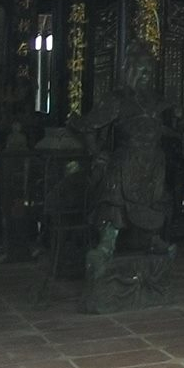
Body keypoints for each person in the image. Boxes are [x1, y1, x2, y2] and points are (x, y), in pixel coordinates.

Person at [69, 42, 175, 253]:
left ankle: (152, 236)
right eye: (141, 70)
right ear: (130, 70)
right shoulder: (117, 99)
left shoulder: (155, 99)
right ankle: (108, 238)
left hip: (153, 159)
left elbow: (157, 125)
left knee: (157, 195)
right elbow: (90, 126)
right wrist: (95, 152)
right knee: (114, 191)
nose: (145, 75)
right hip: (127, 157)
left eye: (149, 71)